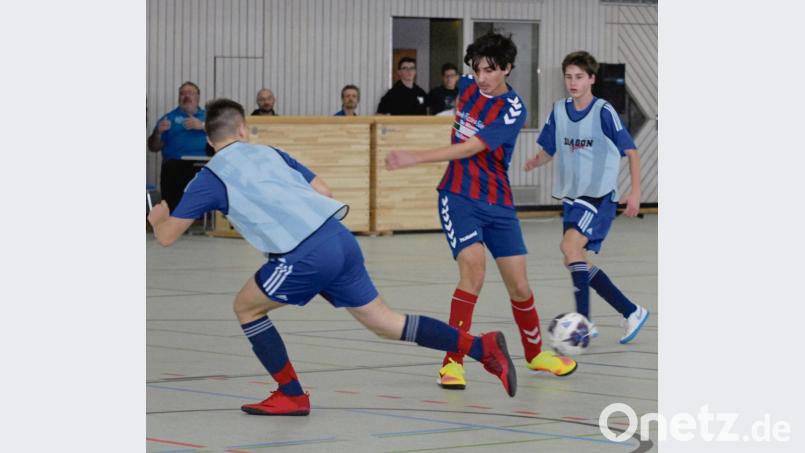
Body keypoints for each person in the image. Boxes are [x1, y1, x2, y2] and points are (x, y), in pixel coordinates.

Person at [147, 98, 518, 416]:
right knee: (386, 323)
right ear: (243, 130)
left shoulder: (211, 176)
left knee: (246, 308)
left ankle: (291, 395)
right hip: (339, 238)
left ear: (210, 141)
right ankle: (480, 347)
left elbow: (166, 238)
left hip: (303, 253)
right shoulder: (270, 152)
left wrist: (157, 216)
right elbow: (322, 189)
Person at [385, 32, 578, 391]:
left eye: (490, 70)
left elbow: (473, 146)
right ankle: (452, 362)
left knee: (519, 285)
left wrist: (415, 157)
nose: (482, 77)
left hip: (498, 202)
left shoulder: (513, 108)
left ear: (507, 68)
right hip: (458, 196)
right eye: (477, 69)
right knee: (473, 272)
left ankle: (535, 354)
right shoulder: (467, 86)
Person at [523, 50, 649, 344]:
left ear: (591, 79)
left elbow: (631, 150)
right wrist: (535, 161)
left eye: (579, 77)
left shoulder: (603, 111)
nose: (573, 82)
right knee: (573, 257)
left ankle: (584, 322)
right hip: (572, 196)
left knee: (569, 246)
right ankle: (631, 311)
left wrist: (635, 192)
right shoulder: (558, 110)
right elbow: (550, 149)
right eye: (568, 77)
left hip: (598, 194)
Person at [147, 81, 208, 211]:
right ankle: (174, 217)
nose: (186, 96)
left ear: (198, 96)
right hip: (176, 165)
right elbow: (153, 147)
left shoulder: (208, 117)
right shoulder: (168, 118)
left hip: (204, 164)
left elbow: (224, 136)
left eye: (190, 93)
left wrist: (203, 126)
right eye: (182, 94)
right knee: (172, 169)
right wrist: (158, 133)